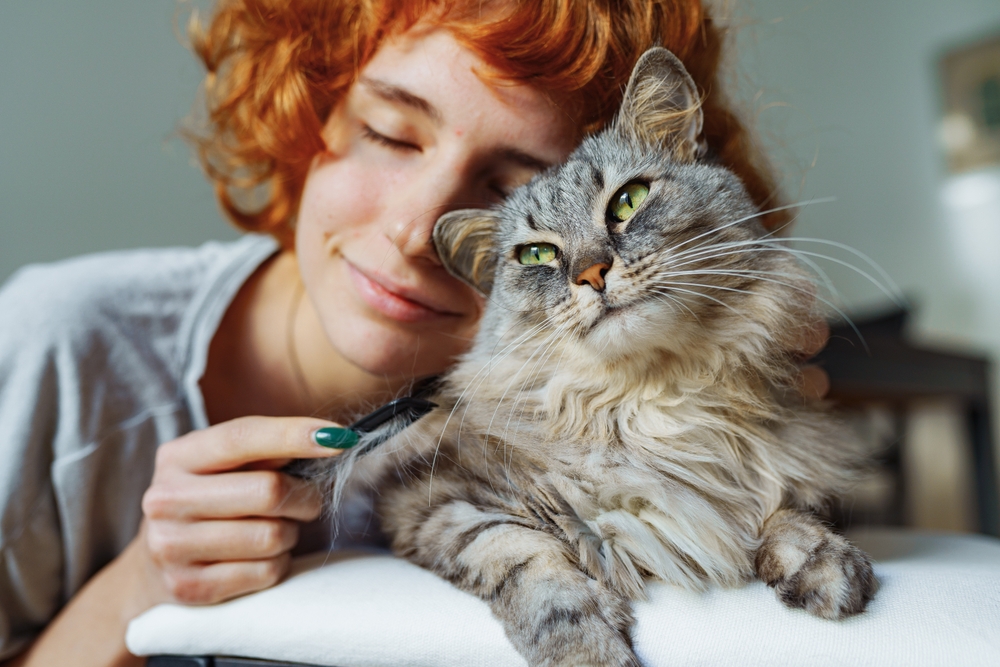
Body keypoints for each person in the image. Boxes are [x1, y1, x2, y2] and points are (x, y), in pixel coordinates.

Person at [0, 0, 828, 665]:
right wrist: (141, 579)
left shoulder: (614, 366)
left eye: (511, 187)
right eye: (390, 134)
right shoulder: (60, 345)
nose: (415, 227)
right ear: (306, 112)